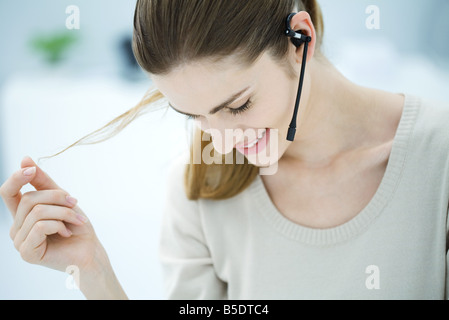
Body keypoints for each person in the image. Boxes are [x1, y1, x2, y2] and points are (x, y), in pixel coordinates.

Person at [1, 0, 448, 300]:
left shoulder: (438, 157)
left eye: (238, 105)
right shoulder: (199, 184)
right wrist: (93, 270)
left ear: (301, 40)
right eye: (192, 115)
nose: (221, 141)